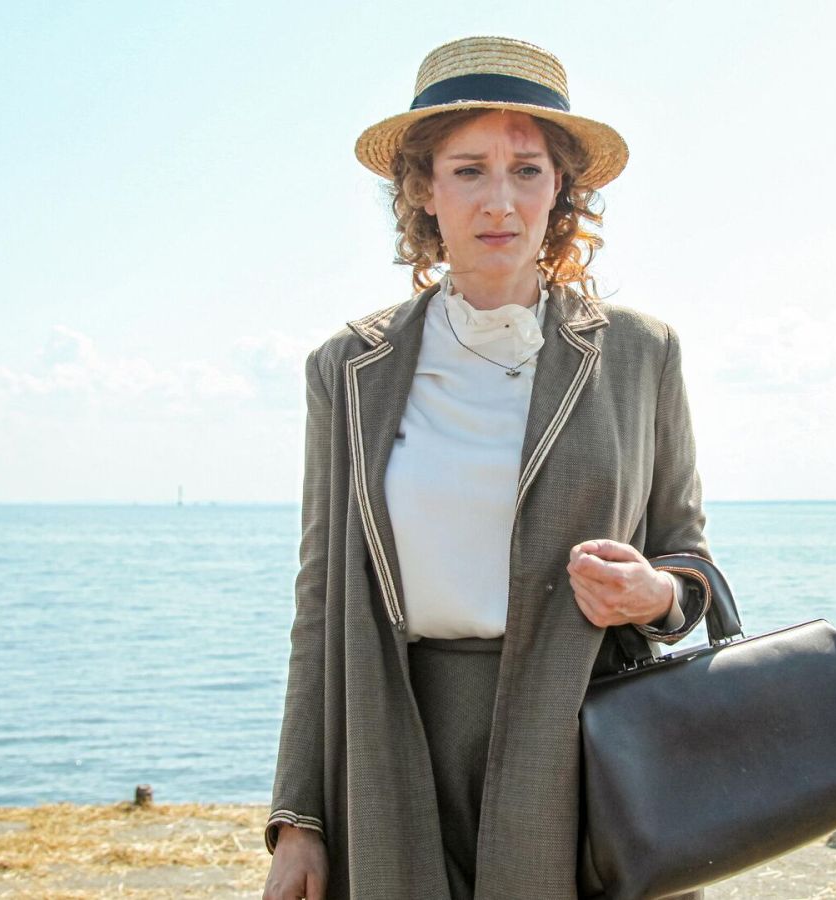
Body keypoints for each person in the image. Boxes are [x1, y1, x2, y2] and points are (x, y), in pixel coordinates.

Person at [261, 36, 714, 900]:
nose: (499, 200)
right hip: (393, 742)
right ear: (423, 190)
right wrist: (299, 818)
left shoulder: (642, 353)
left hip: (584, 742)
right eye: (468, 170)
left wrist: (653, 593)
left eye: (527, 170)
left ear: (562, 190)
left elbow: (687, 564)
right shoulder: (348, 369)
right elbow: (319, 603)